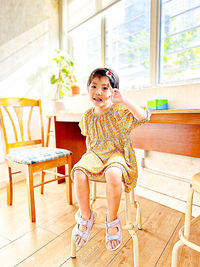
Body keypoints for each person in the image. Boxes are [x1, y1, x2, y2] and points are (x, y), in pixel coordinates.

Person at [71, 67, 150, 251]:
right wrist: (87, 158)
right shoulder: (88, 117)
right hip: (95, 153)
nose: (98, 91)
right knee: (79, 171)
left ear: (113, 91)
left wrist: (123, 100)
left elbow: (143, 117)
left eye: (105, 88)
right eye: (94, 86)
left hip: (117, 153)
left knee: (114, 173)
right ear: (88, 88)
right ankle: (86, 216)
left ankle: (112, 218)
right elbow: (89, 137)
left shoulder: (119, 111)